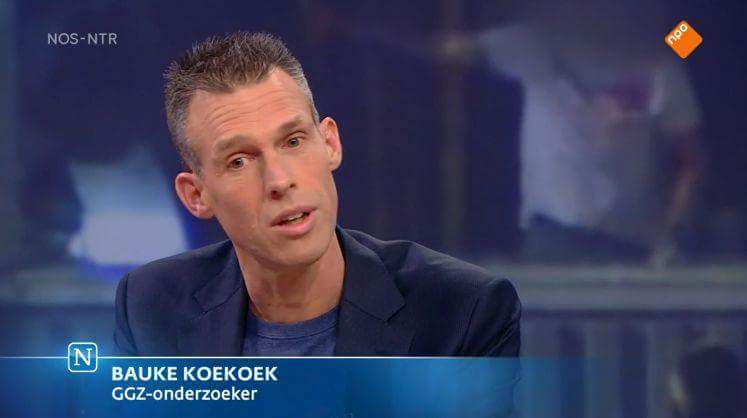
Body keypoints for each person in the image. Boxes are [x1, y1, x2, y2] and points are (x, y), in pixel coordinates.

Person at [114, 32, 521, 357]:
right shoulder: (151, 307)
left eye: (293, 141)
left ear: (330, 143)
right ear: (196, 195)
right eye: (239, 161)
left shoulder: (461, 313)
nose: (279, 180)